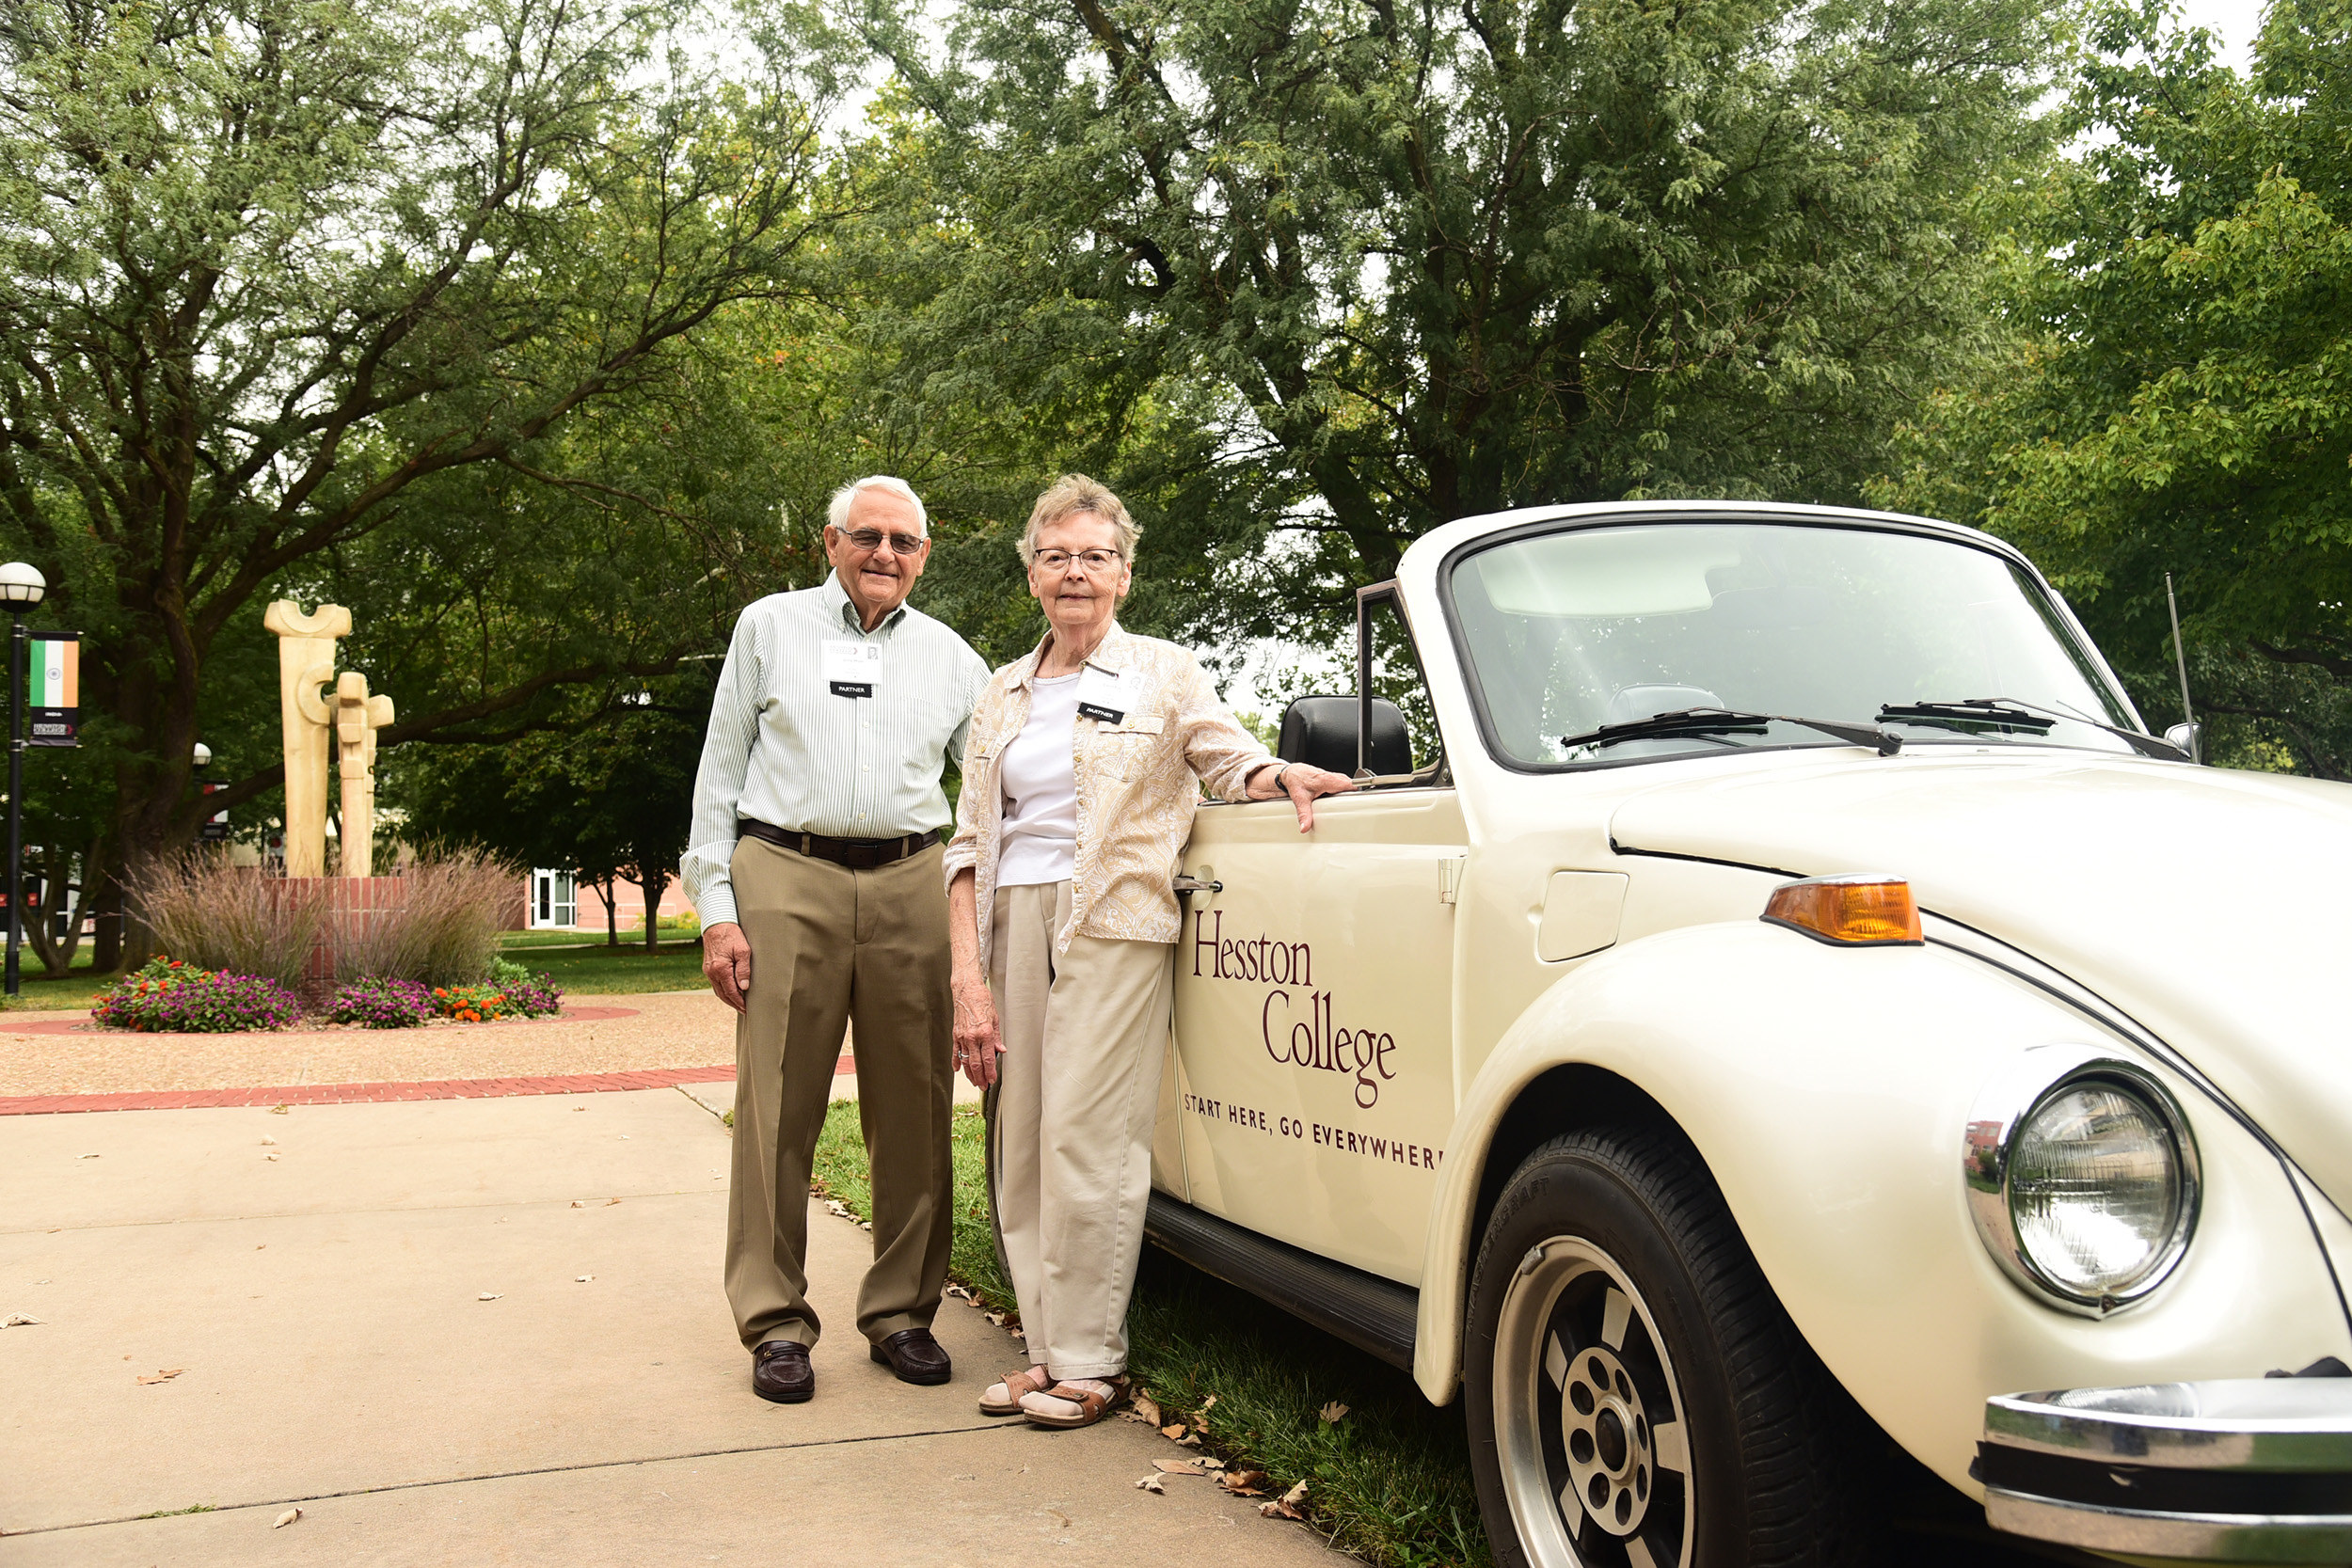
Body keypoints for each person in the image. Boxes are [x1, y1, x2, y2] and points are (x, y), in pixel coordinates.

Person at [944, 474, 1354, 1429]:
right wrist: (967, 975)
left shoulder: (1162, 671)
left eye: (1093, 555)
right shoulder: (999, 693)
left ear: (1123, 574)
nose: (1073, 571)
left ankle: (1091, 1359)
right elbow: (965, 843)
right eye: (1055, 555)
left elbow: (1222, 753)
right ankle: (1042, 1352)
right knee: (1019, 1144)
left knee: (1088, 1137)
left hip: (1114, 922)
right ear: (1031, 574)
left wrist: (1275, 770)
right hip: (1012, 919)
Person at [683, 475, 990, 1404]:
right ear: (830, 541)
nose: (885, 554)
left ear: (924, 555)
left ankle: (901, 1311)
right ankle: (776, 1320)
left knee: (915, 1106)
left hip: (911, 877)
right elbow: (718, 775)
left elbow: (989, 798)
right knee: (778, 1102)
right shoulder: (767, 629)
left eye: (904, 541)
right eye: (868, 535)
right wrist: (716, 907)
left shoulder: (953, 659)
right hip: (785, 868)